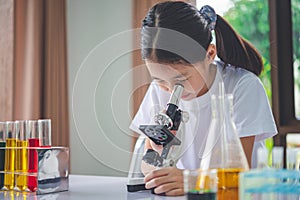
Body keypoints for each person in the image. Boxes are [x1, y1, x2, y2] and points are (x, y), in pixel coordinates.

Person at [129, 1, 277, 196]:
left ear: (210, 53)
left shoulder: (243, 86)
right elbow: (147, 167)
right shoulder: (160, 89)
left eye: (181, 79)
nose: (171, 90)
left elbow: (240, 170)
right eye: (160, 80)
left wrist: (192, 179)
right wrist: (158, 152)